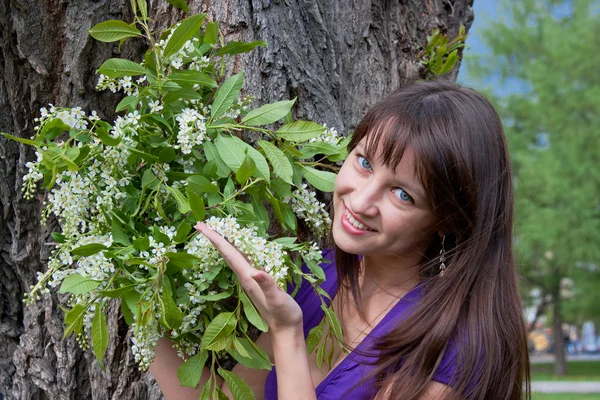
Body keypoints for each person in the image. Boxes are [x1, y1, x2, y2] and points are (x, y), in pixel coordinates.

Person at [150, 79, 531, 399]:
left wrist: (287, 334)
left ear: (447, 221)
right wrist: (136, 289)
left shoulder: (457, 348)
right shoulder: (319, 275)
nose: (361, 201)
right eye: (365, 162)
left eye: (402, 194)